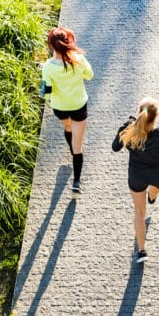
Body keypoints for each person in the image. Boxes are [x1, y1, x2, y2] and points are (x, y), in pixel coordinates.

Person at [112, 97, 159, 264]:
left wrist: (124, 127)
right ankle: (152, 197)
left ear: (139, 112)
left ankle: (141, 250)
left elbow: (115, 147)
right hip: (156, 176)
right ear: (156, 116)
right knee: (154, 190)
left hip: (137, 176)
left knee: (139, 212)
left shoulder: (129, 128)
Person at [41, 27, 94, 194]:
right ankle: (76, 182)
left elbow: (47, 92)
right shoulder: (78, 60)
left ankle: (70, 146)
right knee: (78, 146)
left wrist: (51, 101)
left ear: (51, 46)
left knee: (67, 127)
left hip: (60, 107)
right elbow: (90, 75)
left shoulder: (48, 67)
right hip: (78, 105)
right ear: (68, 42)